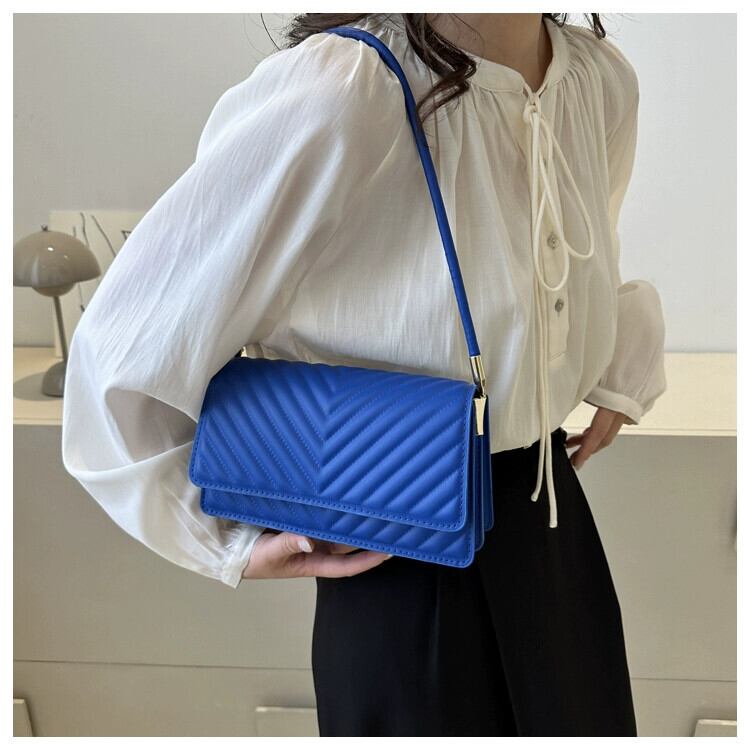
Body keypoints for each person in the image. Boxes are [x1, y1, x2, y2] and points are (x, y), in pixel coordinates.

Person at [61, 12, 667, 737]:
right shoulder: (345, 89)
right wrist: (218, 536)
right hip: (401, 547)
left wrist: (611, 364)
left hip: (554, 525)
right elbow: (123, 350)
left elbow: (576, 248)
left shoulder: (599, 80)